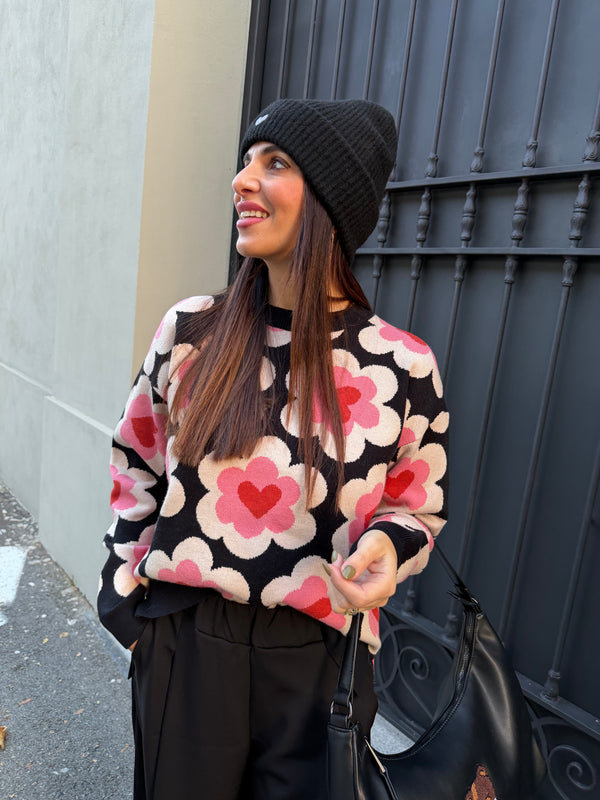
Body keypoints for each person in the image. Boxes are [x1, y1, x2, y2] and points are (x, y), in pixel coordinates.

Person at [98, 98, 449, 800]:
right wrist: (124, 602)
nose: (242, 180)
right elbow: (135, 462)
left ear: (331, 204)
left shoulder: (402, 367)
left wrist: (388, 545)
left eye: (277, 162)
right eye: (247, 160)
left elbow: (416, 508)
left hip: (320, 666)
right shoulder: (192, 332)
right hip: (187, 646)